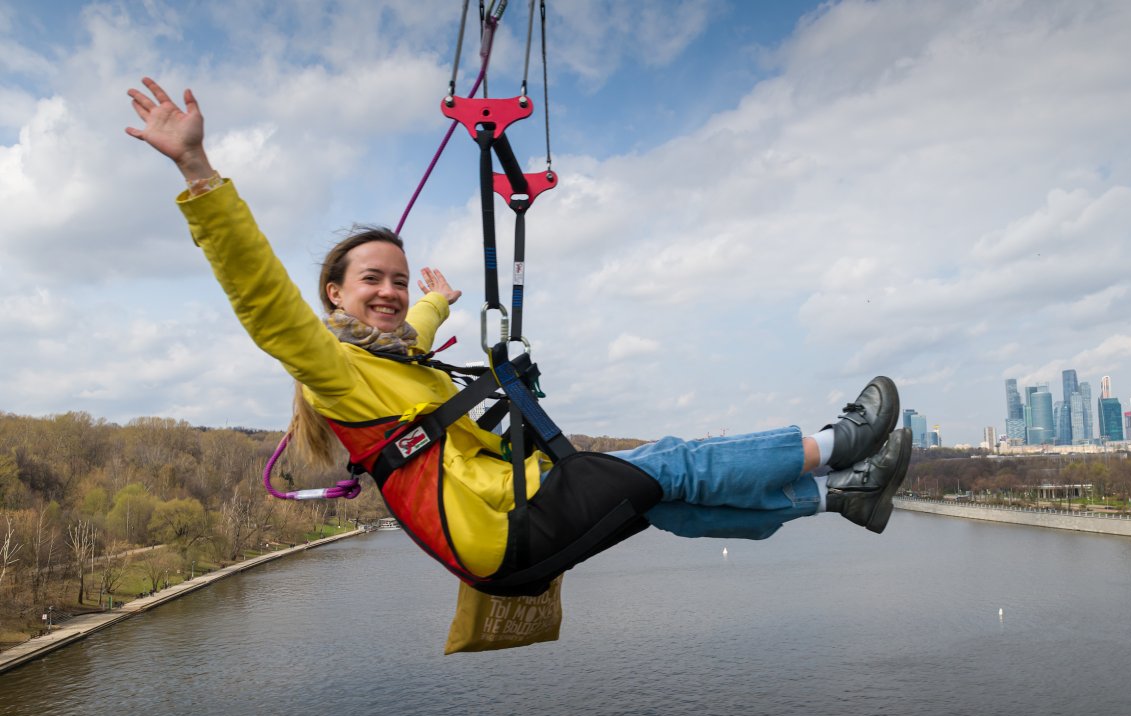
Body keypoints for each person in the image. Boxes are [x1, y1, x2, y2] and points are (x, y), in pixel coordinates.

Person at [125, 77, 912, 594]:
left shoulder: (387, 358)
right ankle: (837, 441)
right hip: (502, 524)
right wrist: (199, 172)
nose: (391, 293)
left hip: (508, 521)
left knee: (666, 493)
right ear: (333, 294)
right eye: (373, 281)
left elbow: (406, 344)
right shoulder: (331, 366)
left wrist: (434, 303)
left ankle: (837, 498)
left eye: (398, 279)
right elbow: (265, 304)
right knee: (674, 458)